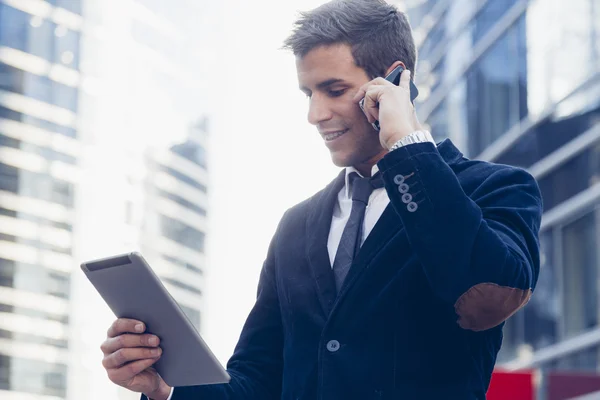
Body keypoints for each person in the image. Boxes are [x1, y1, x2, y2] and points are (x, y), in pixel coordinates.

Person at [100, 1, 543, 399]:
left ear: (393, 82)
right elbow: (258, 378)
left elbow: (488, 296)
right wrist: (168, 389)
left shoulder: (495, 189)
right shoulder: (296, 225)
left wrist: (406, 146)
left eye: (333, 90)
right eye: (308, 94)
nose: (315, 115)